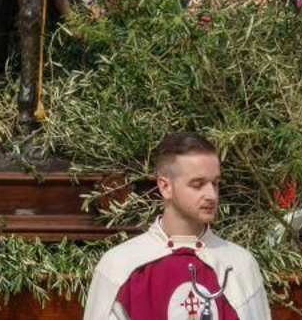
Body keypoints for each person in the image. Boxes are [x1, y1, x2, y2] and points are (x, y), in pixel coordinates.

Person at [82, 131, 268, 320]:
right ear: (165, 187)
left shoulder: (240, 265)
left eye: (215, 183)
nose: (212, 195)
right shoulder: (120, 266)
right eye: (198, 184)